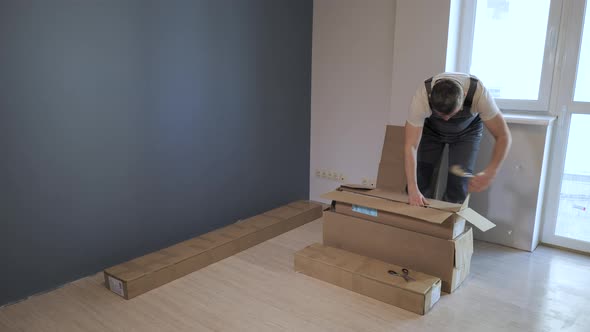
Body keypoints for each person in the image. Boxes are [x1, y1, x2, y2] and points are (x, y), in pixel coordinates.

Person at [404, 72, 511, 206]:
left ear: (464, 96)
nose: (446, 119)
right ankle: (416, 222)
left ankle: (447, 224)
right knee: (420, 178)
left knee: (458, 184)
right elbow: (411, 146)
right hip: (431, 131)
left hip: (467, 133)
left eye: (451, 114)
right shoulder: (422, 97)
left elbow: (503, 136)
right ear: (431, 98)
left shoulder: (479, 94)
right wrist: (413, 188)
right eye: (441, 114)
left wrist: (491, 171)